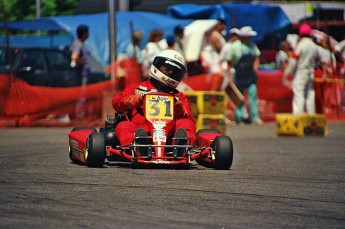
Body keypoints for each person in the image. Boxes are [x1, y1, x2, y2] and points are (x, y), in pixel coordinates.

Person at [112, 50, 196, 154]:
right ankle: (138, 147)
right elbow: (116, 103)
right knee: (123, 126)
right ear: (158, 65)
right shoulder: (137, 88)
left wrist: (180, 112)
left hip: (169, 137)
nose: (170, 72)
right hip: (140, 132)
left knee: (186, 123)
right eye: (168, 68)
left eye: (175, 71)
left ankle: (182, 147)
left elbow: (190, 120)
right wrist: (130, 100)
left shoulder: (179, 97)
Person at [227, 26, 263, 125]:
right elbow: (229, 62)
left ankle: (255, 117)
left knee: (253, 95)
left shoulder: (252, 46)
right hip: (239, 75)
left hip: (250, 75)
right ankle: (239, 118)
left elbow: (257, 57)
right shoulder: (235, 46)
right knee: (239, 98)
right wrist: (229, 77)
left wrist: (255, 69)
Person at [282, 23, 319, 114]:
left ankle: (298, 116)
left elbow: (293, 61)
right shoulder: (314, 46)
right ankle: (311, 116)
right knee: (310, 94)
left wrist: (286, 74)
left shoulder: (300, 45)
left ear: (300, 33)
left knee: (299, 94)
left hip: (301, 72)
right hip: (311, 72)